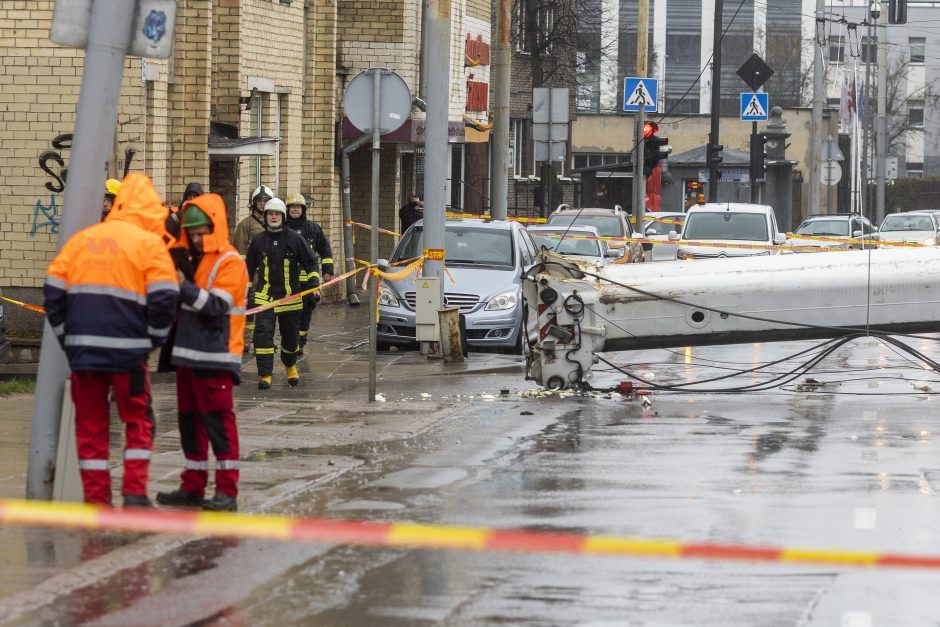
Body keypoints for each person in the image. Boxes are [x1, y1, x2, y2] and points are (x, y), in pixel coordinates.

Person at [43, 172, 179, 508]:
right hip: (129, 355)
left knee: (90, 426)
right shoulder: (150, 245)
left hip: (83, 353)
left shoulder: (83, 239)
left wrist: (67, 337)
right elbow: (165, 299)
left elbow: (54, 292)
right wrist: (151, 341)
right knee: (138, 421)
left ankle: (96, 499)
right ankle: (133, 493)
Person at [156, 195, 249, 512]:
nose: (196, 237)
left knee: (219, 425)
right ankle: (192, 486)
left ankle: (227, 491)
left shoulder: (230, 262)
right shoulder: (193, 258)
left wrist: (182, 284)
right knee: (189, 425)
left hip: (216, 356)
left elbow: (216, 308)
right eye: (191, 231)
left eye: (201, 231)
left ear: (214, 227)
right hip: (186, 354)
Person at [246, 197, 317, 390]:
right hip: (265, 297)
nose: (273, 216)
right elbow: (249, 267)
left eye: (277, 214)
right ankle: (265, 375)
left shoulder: (294, 238)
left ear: (283, 216)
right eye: (270, 214)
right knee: (263, 336)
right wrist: (245, 291)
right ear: (266, 216)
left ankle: (290, 366)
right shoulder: (259, 240)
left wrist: (314, 283)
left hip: (291, 298)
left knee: (291, 337)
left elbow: (311, 262)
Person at [285, 192, 334, 355]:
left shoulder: (313, 228)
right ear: (287, 209)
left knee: (305, 315)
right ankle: (291, 342)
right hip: (287, 282)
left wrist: (328, 271)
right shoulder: (282, 228)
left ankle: (300, 343)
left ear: (303, 209)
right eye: (292, 207)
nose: (295, 210)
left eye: (298, 207)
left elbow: (325, 250)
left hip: (308, 283)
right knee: (290, 315)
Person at [233, 185, 274, 257]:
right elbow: (240, 251)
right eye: (259, 201)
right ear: (254, 202)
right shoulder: (244, 224)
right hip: (254, 266)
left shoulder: (277, 222)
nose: (262, 203)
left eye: (265, 201)